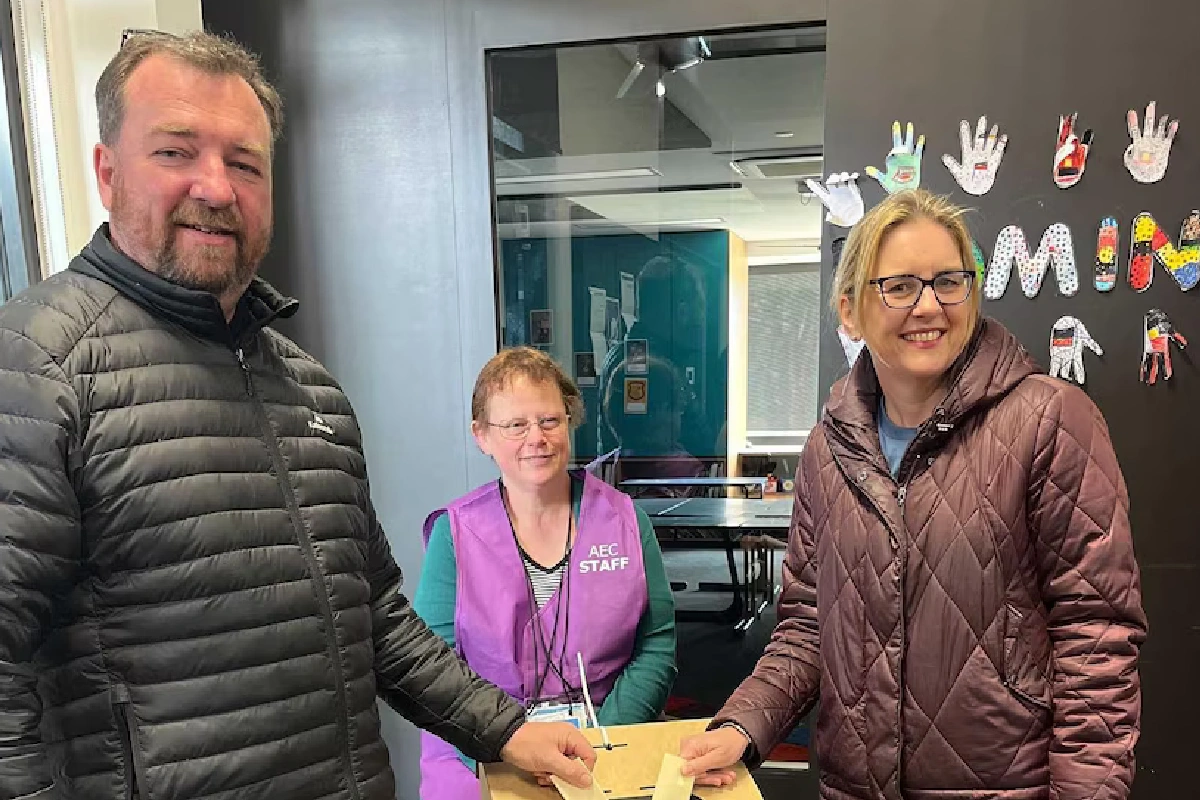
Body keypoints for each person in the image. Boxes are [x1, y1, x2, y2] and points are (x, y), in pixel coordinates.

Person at [0, 31, 595, 800]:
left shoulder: (310, 392)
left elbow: (375, 616)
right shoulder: (37, 367)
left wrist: (505, 729)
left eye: (244, 163)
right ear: (107, 171)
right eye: (176, 152)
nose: (216, 188)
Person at [680, 189, 1146, 800]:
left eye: (948, 282)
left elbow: (1096, 641)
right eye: (899, 286)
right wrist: (743, 725)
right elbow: (807, 627)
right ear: (849, 311)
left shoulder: (1050, 421)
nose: (928, 305)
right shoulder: (827, 450)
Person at [414, 346, 678, 798]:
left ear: (569, 421)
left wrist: (605, 739)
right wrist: (509, 744)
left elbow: (656, 644)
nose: (536, 437)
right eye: (515, 425)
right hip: (481, 747)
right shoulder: (453, 535)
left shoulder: (627, 522)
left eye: (549, 420)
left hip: (605, 742)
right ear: (482, 435)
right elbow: (433, 668)